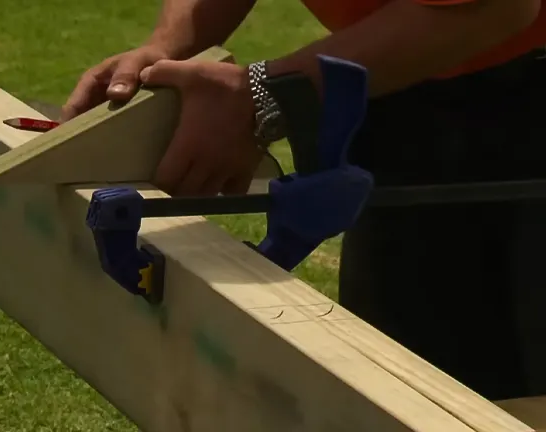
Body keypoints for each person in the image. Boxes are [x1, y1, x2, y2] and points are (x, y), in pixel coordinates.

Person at [62, 0, 546, 402]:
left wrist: (264, 95)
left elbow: (497, 9)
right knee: (407, 385)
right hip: (397, 77)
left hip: (521, 89)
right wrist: (167, 49)